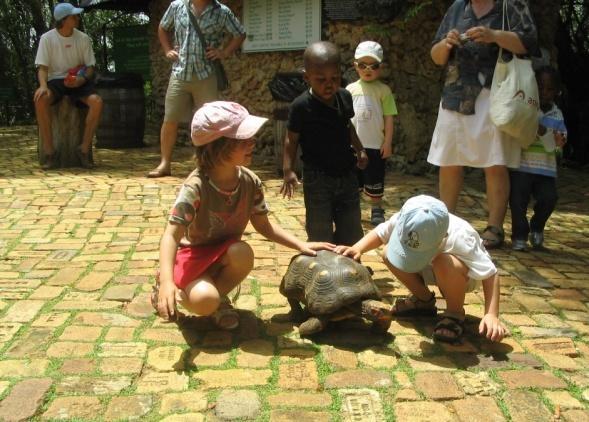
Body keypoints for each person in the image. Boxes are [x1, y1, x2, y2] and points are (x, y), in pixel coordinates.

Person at [154, 101, 334, 327]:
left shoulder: (250, 182)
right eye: (243, 140)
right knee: (204, 301)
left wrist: (301, 245)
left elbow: (264, 226)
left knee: (243, 253)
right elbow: (171, 236)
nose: (253, 142)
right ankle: (175, 292)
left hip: (222, 256)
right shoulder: (196, 188)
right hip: (191, 258)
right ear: (217, 146)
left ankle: (215, 298)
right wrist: (168, 280)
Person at [427, 0, 537, 249]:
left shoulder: (511, 5)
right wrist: (447, 44)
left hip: (495, 93)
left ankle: (494, 227)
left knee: (495, 162)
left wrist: (494, 36)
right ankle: (446, 222)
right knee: (449, 160)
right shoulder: (457, 7)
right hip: (456, 92)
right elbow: (436, 56)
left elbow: (528, 42)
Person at [336, 195, 507, 344]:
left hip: (461, 275)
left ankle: (454, 313)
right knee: (388, 252)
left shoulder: (461, 237)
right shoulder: (409, 217)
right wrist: (357, 248)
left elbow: (491, 274)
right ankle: (423, 300)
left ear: (443, 238)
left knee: (443, 261)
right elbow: (381, 232)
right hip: (427, 264)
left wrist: (491, 314)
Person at [281, 41, 368, 246]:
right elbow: (290, 139)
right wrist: (288, 170)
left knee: (352, 230)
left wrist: (360, 149)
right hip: (317, 177)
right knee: (320, 231)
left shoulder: (344, 97)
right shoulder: (301, 106)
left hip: (346, 174)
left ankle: (350, 270)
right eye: (321, 80)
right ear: (307, 77)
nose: (329, 84)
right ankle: (320, 272)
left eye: (334, 78)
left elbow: (348, 126)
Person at [147, 0, 246, 178]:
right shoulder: (177, 6)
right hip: (180, 72)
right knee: (170, 119)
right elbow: (162, 28)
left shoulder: (221, 11)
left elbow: (240, 33)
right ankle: (164, 164)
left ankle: (207, 165)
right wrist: (167, 50)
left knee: (211, 122)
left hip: (206, 74)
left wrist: (223, 52)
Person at [34, 2, 103, 170]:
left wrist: (81, 79)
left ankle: (84, 149)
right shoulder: (47, 38)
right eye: (74, 16)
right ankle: (50, 152)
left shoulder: (83, 38)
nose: (77, 18)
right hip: (56, 81)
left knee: (97, 102)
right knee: (40, 99)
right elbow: (42, 68)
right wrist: (43, 86)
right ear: (63, 20)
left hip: (78, 79)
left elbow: (90, 68)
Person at [509, 66, 567, 251]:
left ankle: (537, 228)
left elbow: (559, 143)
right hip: (522, 167)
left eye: (550, 89)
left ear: (557, 91)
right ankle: (519, 236)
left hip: (545, 170)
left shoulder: (557, 115)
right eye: (540, 87)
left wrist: (558, 139)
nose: (544, 93)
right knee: (518, 202)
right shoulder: (526, 107)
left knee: (549, 199)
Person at [346, 41, 397, 226]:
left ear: (380, 67)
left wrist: (388, 142)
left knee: (375, 178)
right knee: (353, 179)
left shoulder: (383, 91)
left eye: (373, 66)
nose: (368, 70)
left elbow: (389, 117)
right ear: (355, 66)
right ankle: (353, 209)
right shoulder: (350, 90)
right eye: (362, 65)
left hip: (376, 144)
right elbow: (345, 119)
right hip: (353, 145)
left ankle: (376, 208)